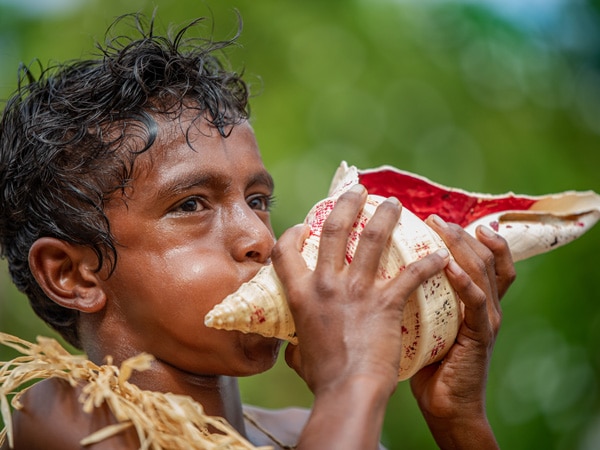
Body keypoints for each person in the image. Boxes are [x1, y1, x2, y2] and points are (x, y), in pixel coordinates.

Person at [0, 13, 515, 450]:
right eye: (192, 204)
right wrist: (352, 379)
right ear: (73, 275)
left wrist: (459, 423)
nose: (262, 240)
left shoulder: (298, 429)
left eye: (258, 201)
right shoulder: (62, 416)